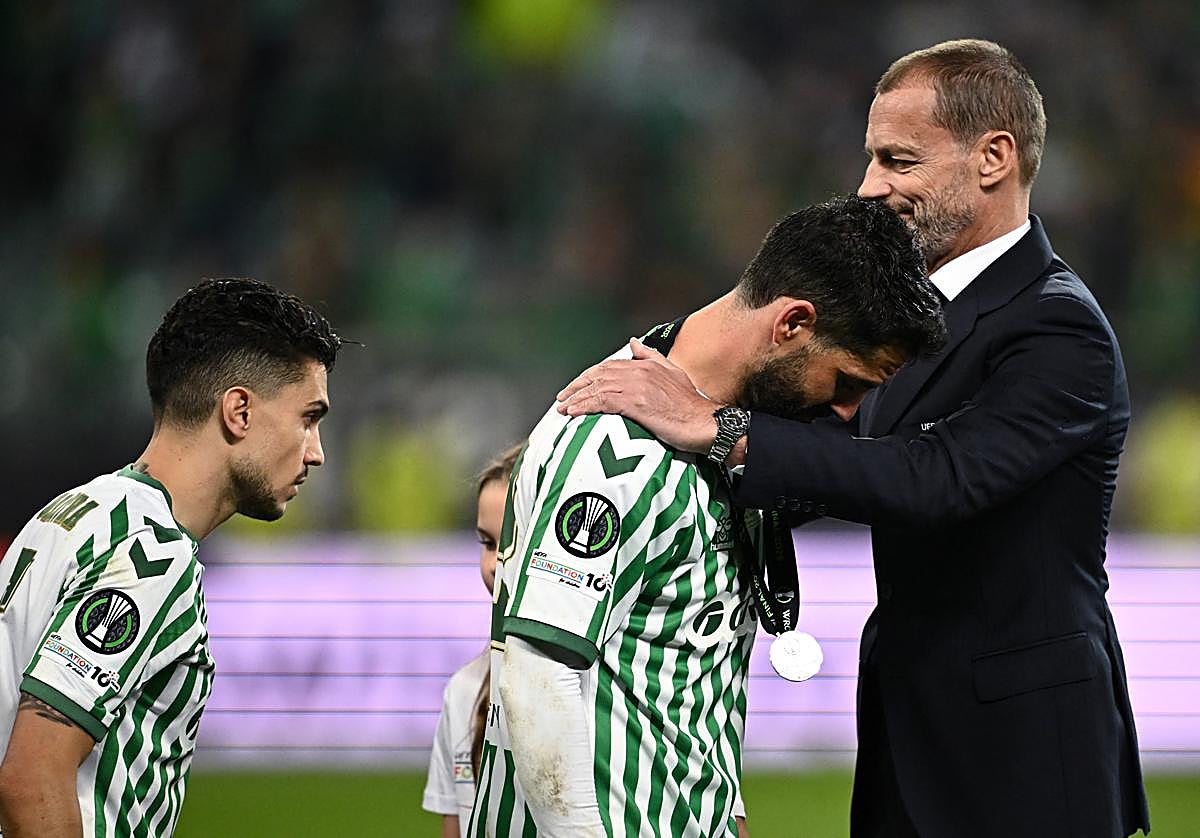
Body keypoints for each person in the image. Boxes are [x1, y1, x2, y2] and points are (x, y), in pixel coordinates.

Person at [556, 39, 1151, 838]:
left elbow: (936, 478)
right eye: (870, 160)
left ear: (994, 159)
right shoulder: (909, 318)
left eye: (897, 160)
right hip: (910, 734)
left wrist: (720, 428)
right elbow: (832, 468)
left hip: (1025, 755)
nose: (871, 188)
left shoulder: (1057, 327)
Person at [468, 195, 946, 837]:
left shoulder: (732, 440)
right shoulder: (612, 446)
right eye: (848, 383)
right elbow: (537, 672)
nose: (847, 414)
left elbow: (686, 677)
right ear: (793, 324)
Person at [0, 278, 342, 838]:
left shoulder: (75, 513)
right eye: (308, 417)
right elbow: (32, 778)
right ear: (239, 411)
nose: (316, 451)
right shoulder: (149, 554)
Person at [423, 444, 522, 837]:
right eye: (487, 543)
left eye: (513, 540)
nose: (494, 563)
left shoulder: (608, 687)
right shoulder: (463, 692)